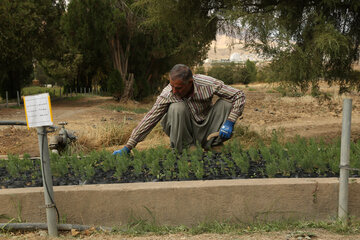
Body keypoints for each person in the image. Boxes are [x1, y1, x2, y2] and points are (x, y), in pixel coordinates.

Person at [113, 64, 245, 155]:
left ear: (190, 82)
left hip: (206, 127)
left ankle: (213, 144)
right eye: (172, 86)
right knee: (177, 107)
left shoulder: (207, 84)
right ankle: (185, 148)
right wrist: (128, 147)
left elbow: (238, 95)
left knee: (226, 103)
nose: (174, 91)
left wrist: (230, 122)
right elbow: (150, 119)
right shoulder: (168, 93)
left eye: (179, 88)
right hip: (182, 131)